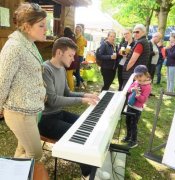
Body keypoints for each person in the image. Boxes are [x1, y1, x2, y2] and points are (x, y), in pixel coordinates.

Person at [38, 37, 110, 179]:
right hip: (45, 120)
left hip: (58, 114)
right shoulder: (45, 69)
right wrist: (82, 100)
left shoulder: (62, 70)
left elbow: (67, 93)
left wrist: (86, 94)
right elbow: (52, 101)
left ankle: (92, 167)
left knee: (89, 127)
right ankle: (88, 174)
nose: (73, 59)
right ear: (59, 52)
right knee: (81, 139)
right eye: (70, 55)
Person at [0, 2, 47, 161]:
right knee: (35, 154)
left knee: (22, 151)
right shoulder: (14, 47)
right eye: (41, 25)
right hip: (19, 112)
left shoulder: (29, 43)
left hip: (31, 109)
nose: (45, 29)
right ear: (27, 26)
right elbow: (2, 82)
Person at [122, 65, 152, 148]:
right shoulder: (136, 82)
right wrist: (132, 89)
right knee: (127, 122)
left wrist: (138, 95)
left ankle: (133, 140)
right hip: (130, 105)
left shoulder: (147, 87)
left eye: (140, 76)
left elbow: (143, 100)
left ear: (146, 75)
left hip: (137, 109)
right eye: (136, 76)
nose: (138, 77)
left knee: (133, 124)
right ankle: (128, 136)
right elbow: (128, 89)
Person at [122, 24, 150, 88]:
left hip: (133, 72)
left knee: (126, 92)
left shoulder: (140, 43)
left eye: (137, 32)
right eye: (134, 32)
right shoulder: (144, 41)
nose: (135, 34)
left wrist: (126, 69)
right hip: (139, 72)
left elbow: (132, 60)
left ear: (143, 32)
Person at [64, 27, 79, 91]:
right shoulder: (73, 38)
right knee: (70, 75)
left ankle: (71, 90)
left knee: (69, 76)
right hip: (74, 59)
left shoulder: (68, 39)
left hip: (71, 59)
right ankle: (70, 89)